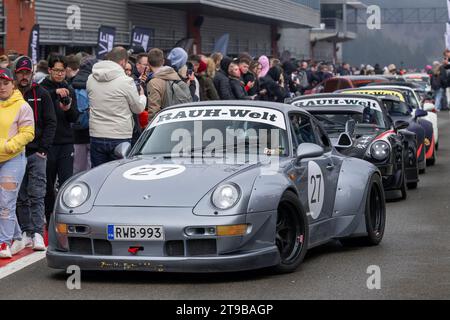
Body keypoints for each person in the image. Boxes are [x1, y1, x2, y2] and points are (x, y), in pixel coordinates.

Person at [13, 56, 57, 251]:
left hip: (36, 153)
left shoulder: (43, 94)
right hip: (15, 153)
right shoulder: (9, 95)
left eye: (27, 72)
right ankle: (26, 231)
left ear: (32, 73)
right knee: (20, 195)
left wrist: (43, 149)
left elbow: (50, 122)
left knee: (37, 193)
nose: (24, 76)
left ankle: (38, 232)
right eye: (21, 73)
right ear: (15, 74)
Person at [87, 47, 146, 168]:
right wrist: (142, 96)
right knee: (119, 174)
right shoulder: (126, 81)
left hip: (96, 134)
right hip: (120, 135)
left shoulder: (91, 79)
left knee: (98, 176)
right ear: (123, 62)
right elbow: (138, 108)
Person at [0, 67, 35, 258]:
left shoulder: (22, 106)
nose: (1, 87)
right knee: (3, 201)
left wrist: (10, 146)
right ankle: (17, 236)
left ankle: (3, 243)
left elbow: (28, 133)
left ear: (12, 84)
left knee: (6, 201)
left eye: (5, 83)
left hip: (13, 159)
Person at [40, 54, 79, 224]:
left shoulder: (68, 88)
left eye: (62, 71)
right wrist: (54, 93)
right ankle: (48, 217)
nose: (60, 74)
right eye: (56, 70)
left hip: (65, 142)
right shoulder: (42, 88)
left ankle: (63, 218)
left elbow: (74, 117)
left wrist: (68, 108)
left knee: (65, 183)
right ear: (49, 70)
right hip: (48, 143)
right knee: (47, 185)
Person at [147, 48, 192, 120]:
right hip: (179, 120)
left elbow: (153, 109)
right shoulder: (176, 76)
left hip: (163, 124)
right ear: (163, 61)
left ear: (148, 63)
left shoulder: (153, 82)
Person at [72, 56, 97, 174]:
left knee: (77, 169)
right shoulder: (95, 83)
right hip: (93, 131)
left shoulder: (72, 81)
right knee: (92, 169)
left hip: (76, 131)